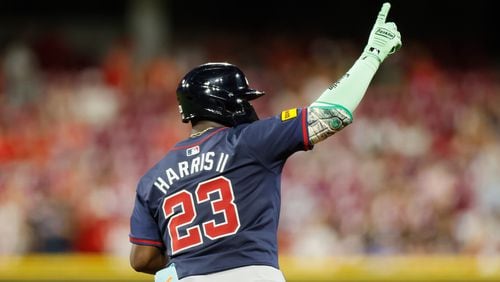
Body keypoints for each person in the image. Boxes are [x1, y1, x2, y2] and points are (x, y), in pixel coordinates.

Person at [129, 2, 402, 282]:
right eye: (243, 100)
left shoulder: (153, 178)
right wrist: (372, 56)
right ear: (226, 103)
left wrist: (187, 260)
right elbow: (333, 113)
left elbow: (142, 259)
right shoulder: (248, 141)